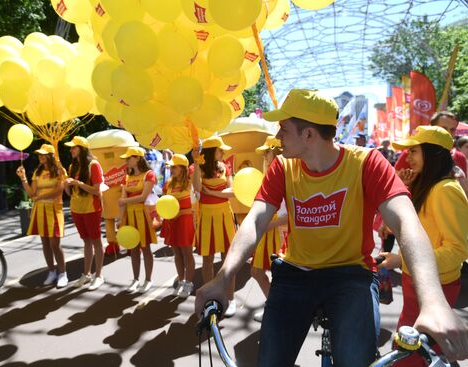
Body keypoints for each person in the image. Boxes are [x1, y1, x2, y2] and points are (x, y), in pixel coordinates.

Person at [194, 89, 468, 367]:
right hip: (295, 274)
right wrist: (223, 276)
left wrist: (433, 302)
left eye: (284, 129)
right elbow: (255, 220)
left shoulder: (367, 162)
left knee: (354, 361)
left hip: (350, 274)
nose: (277, 137)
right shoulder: (283, 167)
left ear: (309, 135)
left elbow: (406, 222)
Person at [379, 126, 468, 367]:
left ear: (433, 154)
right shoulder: (427, 187)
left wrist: (402, 261)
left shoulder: (446, 190)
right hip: (417, 283)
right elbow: (410, 232)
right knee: (418, 350)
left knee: (414, 353)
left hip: (436, 285)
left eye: (414, 151)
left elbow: (458, 249)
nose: (408, 157)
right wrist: (405, 190)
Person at [191, 136, 237, 317]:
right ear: (211, 152)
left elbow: (232, 192)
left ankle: (230, 298)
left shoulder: (225, 167)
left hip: (225, 215)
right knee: (208, 260)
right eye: (220, 150)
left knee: (229, 259)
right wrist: (195, 163)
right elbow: (196, 188)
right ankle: (210, 297)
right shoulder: (198, 168)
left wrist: (210, 192)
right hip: (207, 216)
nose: (224, 152)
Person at [16, 144, 68, 288]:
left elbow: (59, 191)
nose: (40, 156)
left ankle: (63, 273)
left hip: (54, 209)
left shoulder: (59, 170)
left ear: (50, 155)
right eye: (39, 154)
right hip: (40, 209)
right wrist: (23, 178)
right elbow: (32, 193)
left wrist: (40, 197)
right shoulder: (37, 172)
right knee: (45, 243)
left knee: (54, 244)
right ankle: (51, 271)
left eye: (43, 154)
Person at [251, 136, 288, 322]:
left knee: (276, 275)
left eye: (267, 152)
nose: (264, 156)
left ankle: (276, 309)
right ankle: (275, 307)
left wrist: (266, 225)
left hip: (280, 232)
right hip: (270, 229)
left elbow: (292, 214)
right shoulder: (271, 176)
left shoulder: (287, 176)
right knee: (258, 272)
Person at [64, 136, 105, 291]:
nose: (71, 150)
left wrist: (78, 183)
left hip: (91, 208)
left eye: (73, 147)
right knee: (86, 241)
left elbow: (96, 190)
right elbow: (70, 193)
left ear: (81, 149)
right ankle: (86, 273)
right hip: (77, 208)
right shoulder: (72, 166)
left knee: (96, 241)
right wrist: (65, 185)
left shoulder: (93, 165)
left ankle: (99, 275)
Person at [118, 146, 157, 293]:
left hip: (143, 215)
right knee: (133, 249)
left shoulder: (149, 174)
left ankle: (148, 280)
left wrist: (124, 202)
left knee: (145, 248)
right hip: (130, 215)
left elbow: (143, 197)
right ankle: (135, 279)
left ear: (138, 158)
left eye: (129, 158)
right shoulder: (127, 177)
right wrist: (120, 220)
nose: (126, 161)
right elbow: (122, 199)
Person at [160, 154, 196, 298]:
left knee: (187, 253)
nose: (172, 169)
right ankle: (181, 281)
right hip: (172, 223)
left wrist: (179, 212)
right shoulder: (168, 183)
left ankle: (189, 283)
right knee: (177, 254)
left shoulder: (190, 183)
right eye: (171, 167)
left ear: (183, 168)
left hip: (185, 221)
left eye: (174, 167)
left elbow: (195, 206)